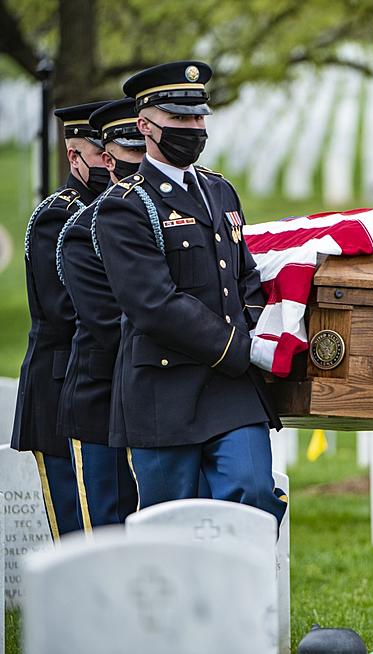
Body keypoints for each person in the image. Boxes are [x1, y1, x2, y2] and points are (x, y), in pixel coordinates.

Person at [92, 61, 285, 524]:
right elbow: (153, 305)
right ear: (146, 125)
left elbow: (245, 276)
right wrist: (240, 347)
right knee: (172, 525)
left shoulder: (219, 191)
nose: (193, 128)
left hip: (231, 390)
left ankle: (242, 599)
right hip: (165, 389)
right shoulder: (125, 206)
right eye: (180, 118)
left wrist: (259, 328)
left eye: (199, 117)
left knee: (255, 494)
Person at [12, 100, 111, 540]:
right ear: (75, 156)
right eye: (101, 153)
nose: (113, 163)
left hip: (97, 380)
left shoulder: (116, 207)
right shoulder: (60, 214)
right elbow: (67, 308)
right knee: (76, 528)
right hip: (59, 388)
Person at [56, 98, 145, 529]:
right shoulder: (74, 224)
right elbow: (96, 319)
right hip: (101, 390)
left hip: (149, 391)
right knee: (106, 526)